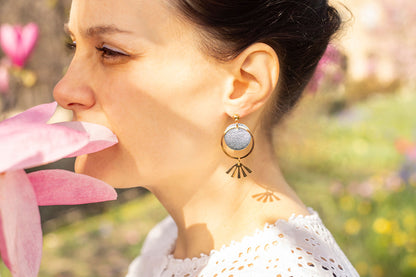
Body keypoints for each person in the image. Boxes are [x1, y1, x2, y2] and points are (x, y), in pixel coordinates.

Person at [54, 0, 359, 276]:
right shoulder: (166, 243)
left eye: (111, 51)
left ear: (244, 84)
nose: (64, 90)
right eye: (73, 45)